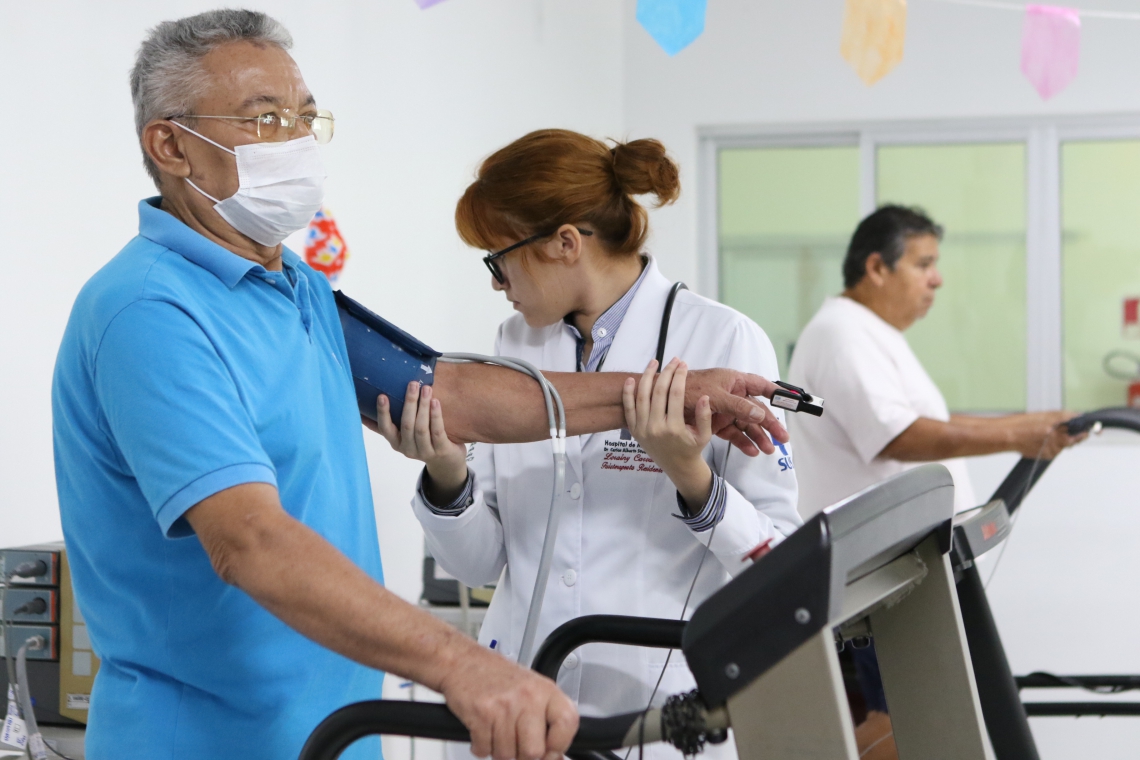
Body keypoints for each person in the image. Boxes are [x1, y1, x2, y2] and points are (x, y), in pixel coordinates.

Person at [50, 12, 790, 760]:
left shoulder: (292, 286)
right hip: (204, 741)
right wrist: (464, 663)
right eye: (264, 118)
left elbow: (450, 394)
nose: (297, 141)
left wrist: (677, 388)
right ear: (171, 144)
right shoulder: (151, 312)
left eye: (306, 117)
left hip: (333, 731)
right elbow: (251, 541)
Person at [375, 130, 802, 760]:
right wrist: (446, 473)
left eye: (499, 259)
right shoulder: (516, 344)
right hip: (520, 704)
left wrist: (692, 479)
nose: (497, 283)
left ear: (565, 244)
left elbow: (780, 564)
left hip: (656, 713)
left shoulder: (721, 341)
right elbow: (482, 564)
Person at [786, 204, 1085, 756]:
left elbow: (934, 426)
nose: (937, 279)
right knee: (897, 722)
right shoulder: (842, 334)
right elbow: (900, 437)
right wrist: (1020, 435)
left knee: (920, 720)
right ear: (877, 267)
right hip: (882, 576)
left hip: (907, 573)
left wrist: (1029, 429)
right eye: (924, 264)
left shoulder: (870, 333)